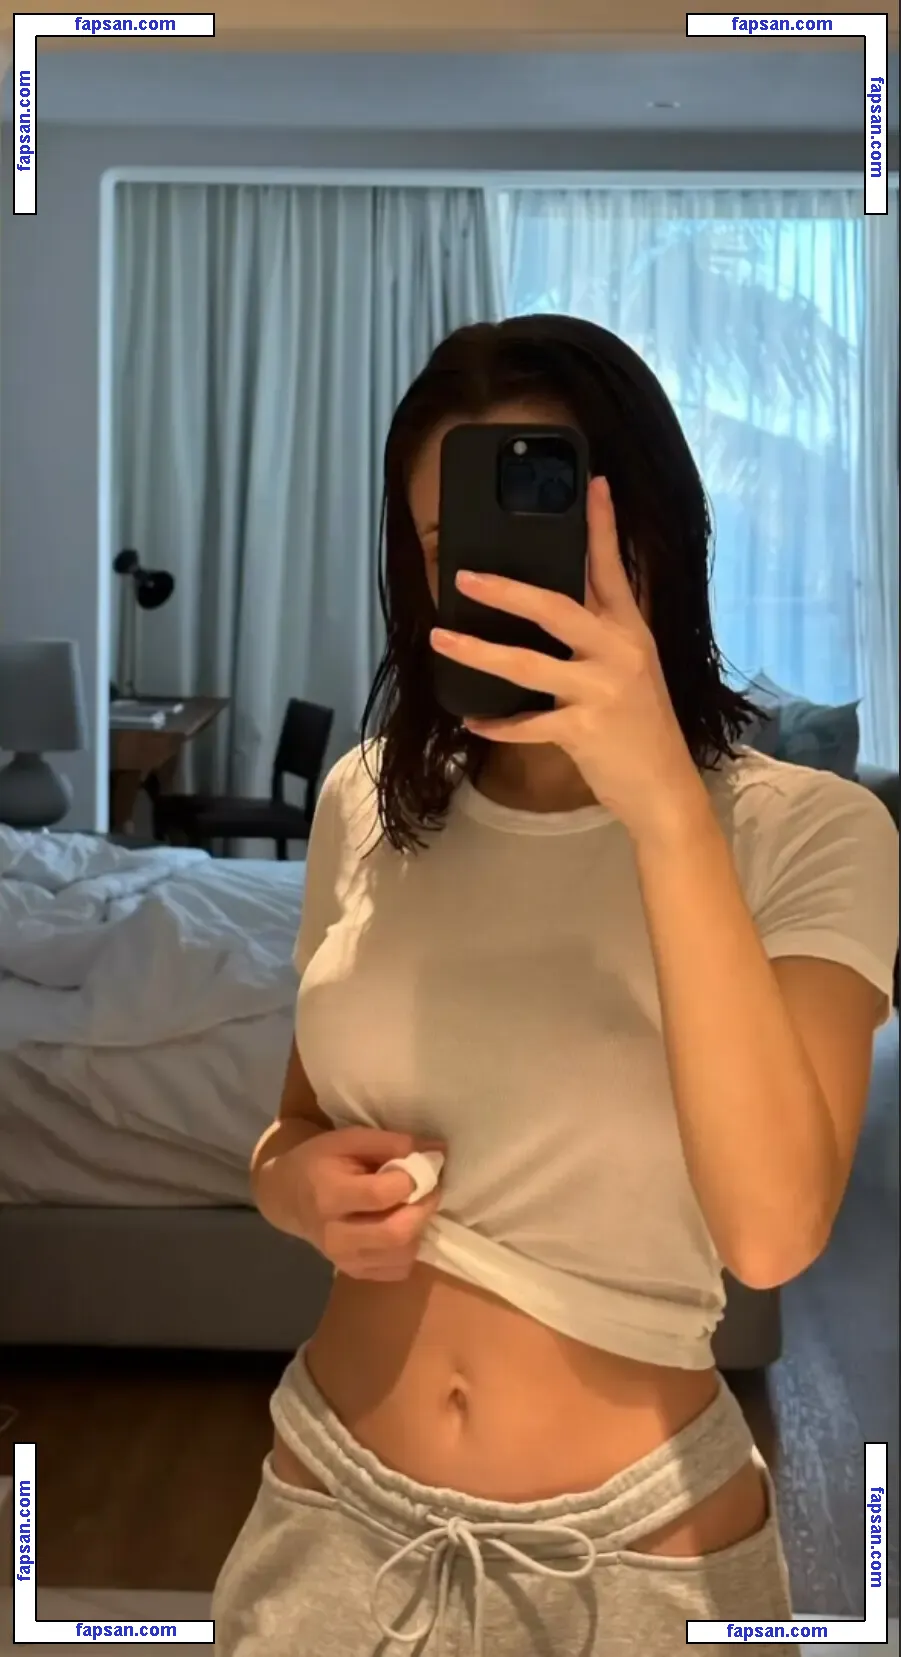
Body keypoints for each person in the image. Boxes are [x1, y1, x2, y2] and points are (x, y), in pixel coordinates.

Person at [211, 315, 899, 1657]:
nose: (494, 578)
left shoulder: (812, 832)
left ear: (653, 538)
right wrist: (292, 1191)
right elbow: (291, 1130)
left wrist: (664, 808)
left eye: (552, 534)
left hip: (636, 1561)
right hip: (326, 1512)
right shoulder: (366, 802)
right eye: (446, 544)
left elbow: (771, 1234)